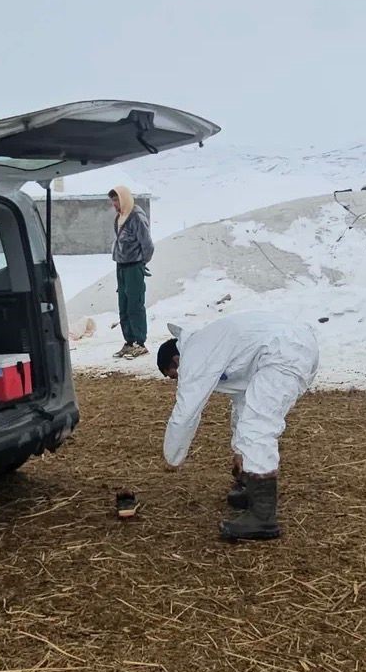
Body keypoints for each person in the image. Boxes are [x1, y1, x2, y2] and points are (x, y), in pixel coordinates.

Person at [157, 311, 319, 541]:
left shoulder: (195, 354)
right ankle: (252, 486)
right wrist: (239, 452)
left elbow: (186, 412)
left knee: (258, 425)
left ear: (176, 360)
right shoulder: (213, 346)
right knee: (251, 421)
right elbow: (242, 400)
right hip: (291, 347)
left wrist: (173, 458)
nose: (177, 380)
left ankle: (263, 517)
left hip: (284, 352)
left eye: (173, 375)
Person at [109, 186, 154, 359]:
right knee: (124, 304)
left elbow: (147, 244)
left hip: (134, 265)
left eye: (117, 200)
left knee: (135, 303)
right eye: (113, 200)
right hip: (121, 265)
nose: (115, 204)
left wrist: (141, 262)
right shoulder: (119, 218)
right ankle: (129, 341)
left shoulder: (136, 216)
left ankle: (140, 342)